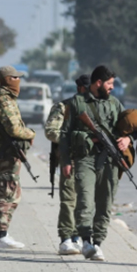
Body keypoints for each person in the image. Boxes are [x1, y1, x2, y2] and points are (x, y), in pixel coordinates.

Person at [59, 65, 129, 262]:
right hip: (85, 158)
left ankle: (98, 243)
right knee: (85, 201)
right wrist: (65, 161)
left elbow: (129, 127)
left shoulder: (115, 104)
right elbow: (64, 135)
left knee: (105, 203)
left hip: (109, 159)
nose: (112, 87)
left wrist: (127, 140)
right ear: (98, 83)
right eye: (109, 83)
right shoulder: (77, 103)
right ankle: (86, 241)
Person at [0, 65, 36, 249]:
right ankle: (1, 235)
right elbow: (14, 129)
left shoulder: (2, 98)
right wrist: (30, 133)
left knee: (12, 190)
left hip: (6, 151)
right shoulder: (4, 101)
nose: (19, 81)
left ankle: (3, 233)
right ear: (9, 80)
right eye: (16, 78)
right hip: (6, 152)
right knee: (7, 190)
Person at [45, 73, 89, 255]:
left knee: (85, 201)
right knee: (68, 200)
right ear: (80, 89)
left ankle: (77, 236)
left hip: (88, 162)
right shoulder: (64, 107)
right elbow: (50, 131)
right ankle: (65, 239)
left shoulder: (94, 108)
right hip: (69, 159)